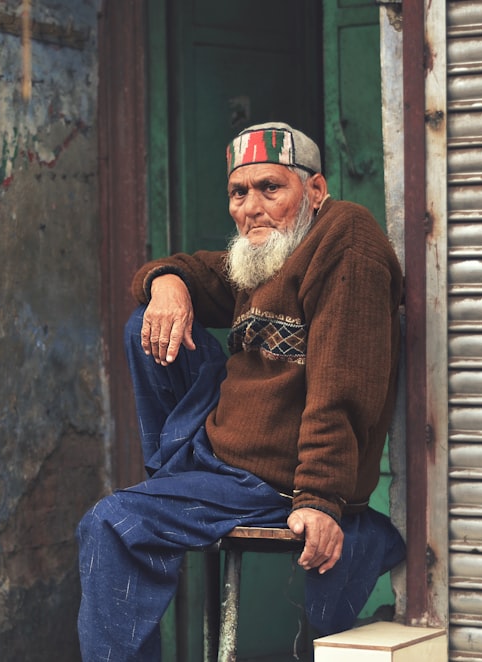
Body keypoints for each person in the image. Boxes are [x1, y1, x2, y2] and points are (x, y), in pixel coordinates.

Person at [76, 122, 405, 662]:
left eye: (271, 189)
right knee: (145, 323)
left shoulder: (345, 237)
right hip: (219, 451)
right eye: (238, 192)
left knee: (111, 525)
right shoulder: (263, 255)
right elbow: (180, 270)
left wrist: (320, 499)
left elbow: (344, 384)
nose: (251, 207)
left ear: (315, 192)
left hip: (272, 476)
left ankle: (175, 490)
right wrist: (167, 285)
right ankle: (175, 479)